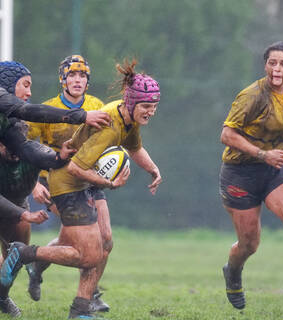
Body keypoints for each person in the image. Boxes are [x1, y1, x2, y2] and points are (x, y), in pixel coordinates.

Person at [1, 59, 162, 319]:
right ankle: (26, 256)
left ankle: (82, 307)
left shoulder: (116, 113)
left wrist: (153, 169)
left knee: (100, 245)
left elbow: (133, 147)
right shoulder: (103, 125)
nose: (151, 111)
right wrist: (37, 183)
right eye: (146, 106)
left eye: (154, 106)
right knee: (88, 254)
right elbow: (52, 153)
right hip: (68, 181)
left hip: (85, 178)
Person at [219, 41, 283, 311]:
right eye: (272, 63)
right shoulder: (251, 95)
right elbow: (226, 135)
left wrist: (268, 160)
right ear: (266, 65)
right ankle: (233, 271)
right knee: (249, 244)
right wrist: (262, 154)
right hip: (239, 175)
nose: (277, 68)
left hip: (275, 172)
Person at [0, 61, 95, 317]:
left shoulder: (9, 125)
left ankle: (2, 297)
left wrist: (58, 157)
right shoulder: (3, 99)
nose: (30, 92)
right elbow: (31, 111)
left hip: (17, 203)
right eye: (26, 85)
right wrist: (81, 116)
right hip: (13, 207)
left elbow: (27, 148)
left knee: (15, 256)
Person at [27, 55, 110, 312]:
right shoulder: (47, 110)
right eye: (72, 75)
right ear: (62, 79)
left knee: (105, 239)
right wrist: (34, 185)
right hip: (55, 181)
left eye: (83, 75)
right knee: (83, 243)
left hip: (88, 180)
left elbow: (109, 141)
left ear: (88, 81)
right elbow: (27, 150)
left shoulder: (98, 105)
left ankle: (88, 292)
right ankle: (84, 297)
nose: (77, 80)